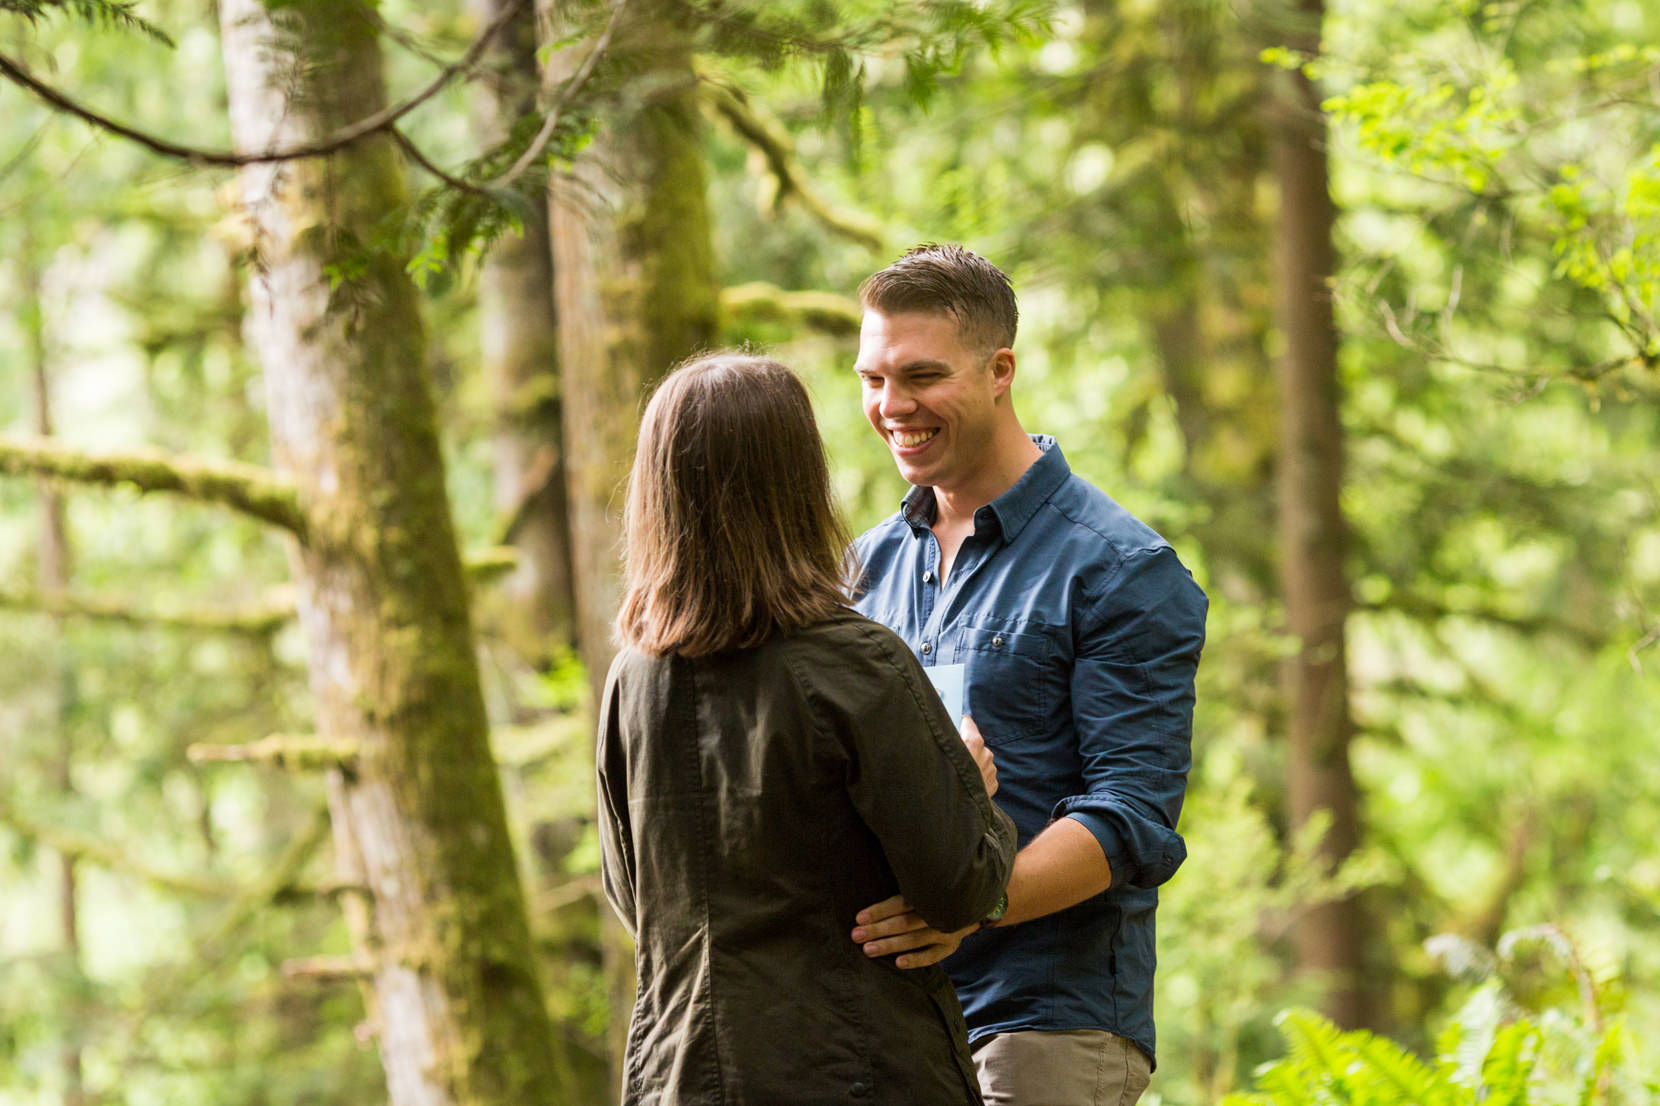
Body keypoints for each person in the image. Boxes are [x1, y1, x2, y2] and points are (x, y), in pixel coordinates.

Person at [596, 352, 1018, 1106]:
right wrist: (972, 788)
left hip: (678, 1074)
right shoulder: (855, 663)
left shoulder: (635, 678)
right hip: (857, 1070)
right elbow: (963, 888)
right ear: (795, 484)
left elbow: (634, 895)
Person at [846, 246, 1208, 1106]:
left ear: (1001, 370)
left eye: (921, 376)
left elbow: (1131, 817)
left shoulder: (1121, 569)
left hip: (1047, 1023)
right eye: (872, 379)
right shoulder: (861, 571)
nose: (893, 407)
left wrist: (971, 903)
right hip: (884, 1023)